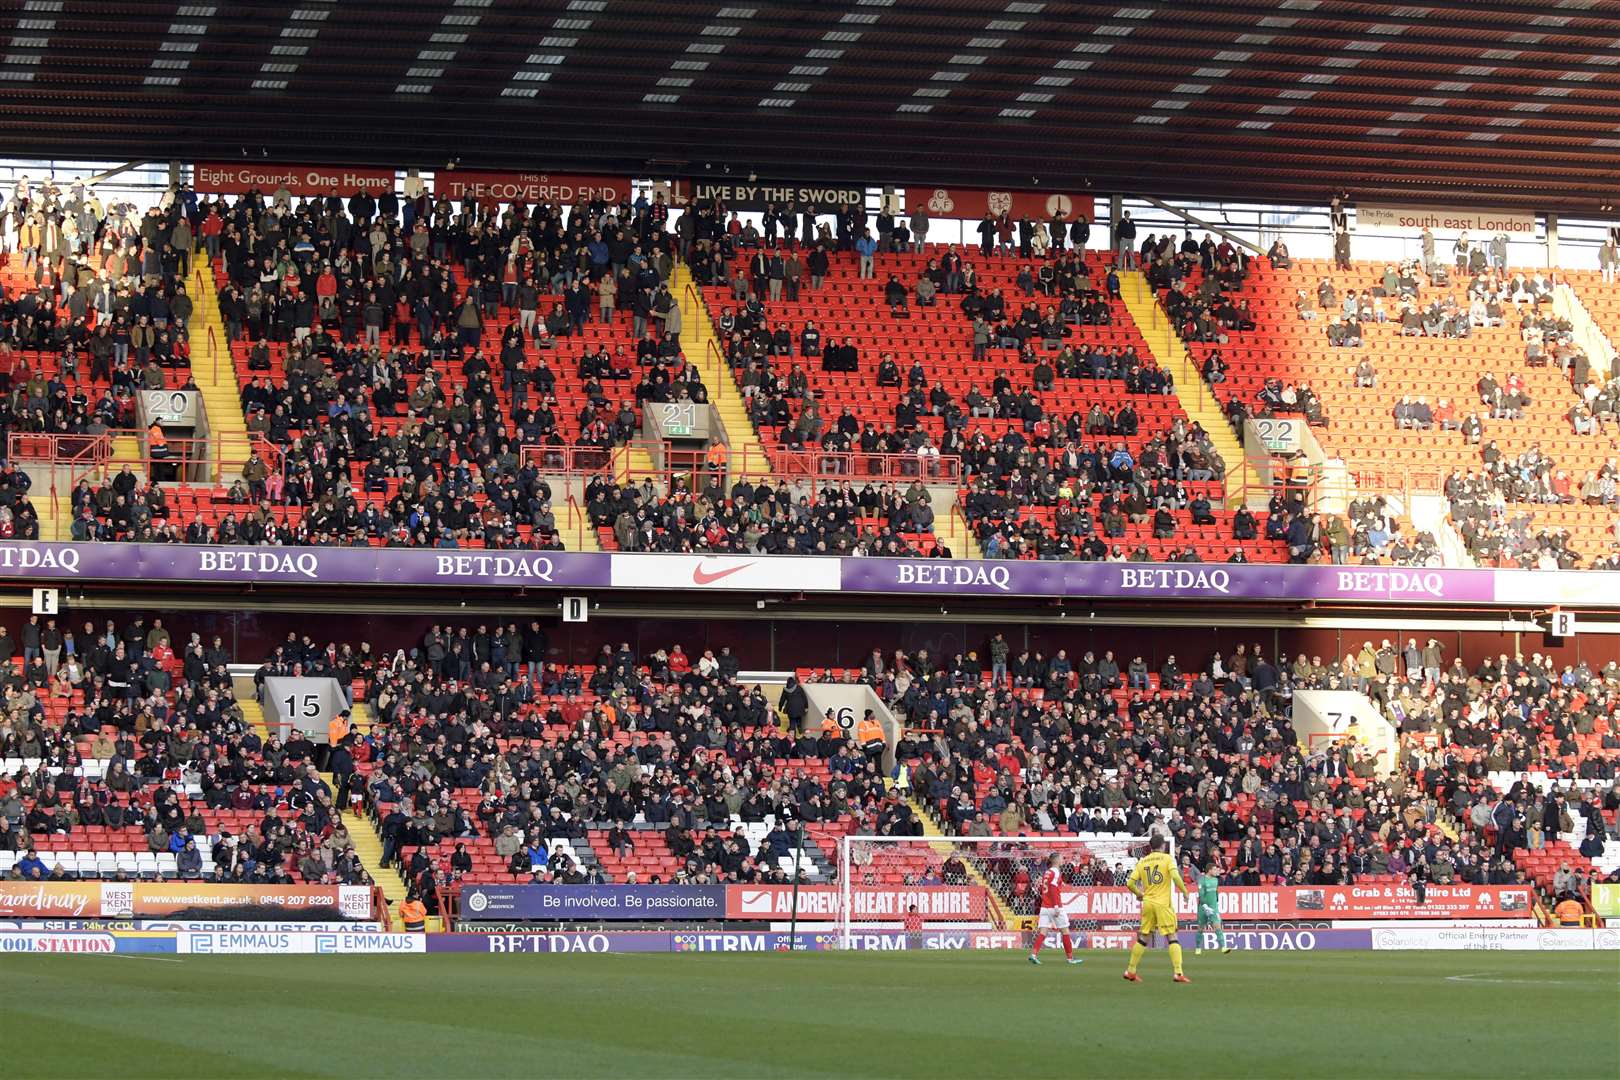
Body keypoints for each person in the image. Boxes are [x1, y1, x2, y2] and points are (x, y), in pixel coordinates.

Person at [1123, 835, 1191, 983]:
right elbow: (1175, 876)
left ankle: (1130, 970)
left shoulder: (1143, 861)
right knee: (1172, 937)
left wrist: (1139, 894)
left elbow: (1130, 883)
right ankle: (1178, 973)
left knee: (1143, 938)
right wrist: (1185, 892)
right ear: (1163, 846)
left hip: (1147, 903)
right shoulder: (1167, 859)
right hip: (1162, 904)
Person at [1028, 852, 1081, 965]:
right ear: (1056, 860)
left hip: (1044, 907)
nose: (1063, 859)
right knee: (1065, 931)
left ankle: (1033, 954)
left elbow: (1046, 887)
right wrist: (1056, 906)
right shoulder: (1056, 872)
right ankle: (1070, 958)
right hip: (1054, 907)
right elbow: (1052, 888)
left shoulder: (1047, 872)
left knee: (1042, 932)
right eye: (1062, 858)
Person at [1194, 856, 1233, 955]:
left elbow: (1215, 892)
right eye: (1215, 869)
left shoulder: (1216, 880)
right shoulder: (1202, 880)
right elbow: (1201, 895)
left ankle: (1223, 947)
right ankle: (1198, 947)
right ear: (1209, 870)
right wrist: (1205, 906)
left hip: (1213, 907)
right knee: (1201, 928)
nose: (1217, 871)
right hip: (1203, 908)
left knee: (1217, 926)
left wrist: (1216, 902)